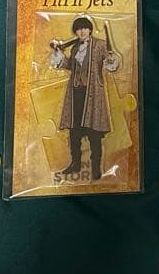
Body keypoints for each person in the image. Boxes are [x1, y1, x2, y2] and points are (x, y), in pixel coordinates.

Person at [48, 16, 121, 180]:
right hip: (75, 94)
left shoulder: (100, 45)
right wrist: (59, 55)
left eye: (84, 28)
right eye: (78, 29)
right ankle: (75, 164)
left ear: (90, 29)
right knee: (74, 131)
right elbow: (71, 66)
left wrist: (111, 60)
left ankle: (96, 168)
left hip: (93, 95)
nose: (81, 31)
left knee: (94, 133)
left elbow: (110, 63)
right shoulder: (74, 48)